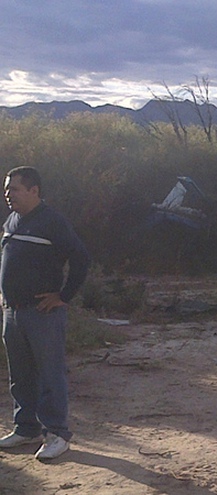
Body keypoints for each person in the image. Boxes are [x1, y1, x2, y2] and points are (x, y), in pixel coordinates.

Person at [0, 166, 89, 461]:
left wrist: (63, 296)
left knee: (50, 375)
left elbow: (81, 259)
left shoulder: (53, 222)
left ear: (34, 191)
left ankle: (57, 434)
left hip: (42, 314)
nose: (7, 194)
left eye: (14, 189)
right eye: (7, 188)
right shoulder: (13, 220)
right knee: (21, 375)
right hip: (13, 312)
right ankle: (26, 428)